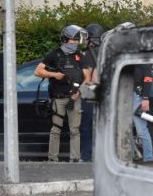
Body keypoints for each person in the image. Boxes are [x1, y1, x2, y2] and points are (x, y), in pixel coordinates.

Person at [35, 25, 88, 162]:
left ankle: (75, 160)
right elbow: (38, 71)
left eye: (77, 41)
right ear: (65, 39)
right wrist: (54, 75)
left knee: (75, 131)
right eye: (73, 40)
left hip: (75, 98)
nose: (76, 43)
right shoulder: (54, 54)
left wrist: (79, 92)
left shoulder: (79, 56)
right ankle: (53, 160)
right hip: (58, 99)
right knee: (55, 130)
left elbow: (87, 78)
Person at [80, 23, 105, 162]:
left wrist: (78, 91)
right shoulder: (107, 51)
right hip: (106, 92)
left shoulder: (90, 54)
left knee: (86, 126)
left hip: (92, 91)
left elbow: (91, 77)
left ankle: (86, 156)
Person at [133, 64, 153, 163]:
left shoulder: (144, 60)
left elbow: (148, 78)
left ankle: (148, 159)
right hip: (126, 93)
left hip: (138, 95)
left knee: (141, 130)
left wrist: (145, 98)